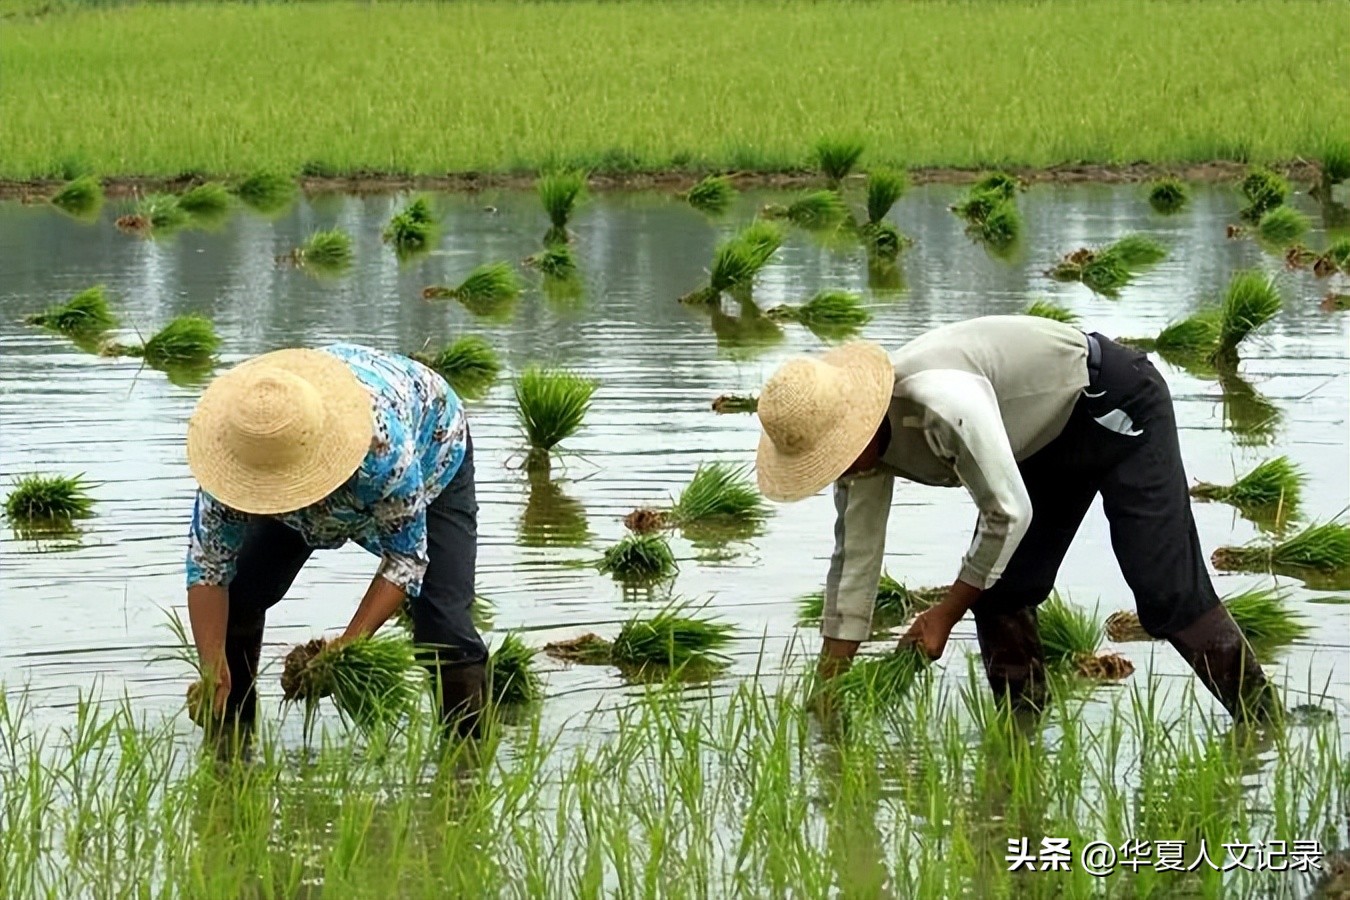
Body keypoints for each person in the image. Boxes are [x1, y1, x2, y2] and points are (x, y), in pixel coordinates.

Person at [753, 315, 1277, 722]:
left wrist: (945, 612)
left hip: (1112, 403)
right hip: (1042, 441)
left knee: (1166, 592)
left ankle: (1262, 722)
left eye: (836, 454)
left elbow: (1006, 510)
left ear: (859, 425)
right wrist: (830, 687)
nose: (835, 469)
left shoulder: (941, 400)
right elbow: (855, 567)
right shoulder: (860, 464)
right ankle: (1021, 740)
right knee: (1002, 593)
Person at [183, 342, 487, 742]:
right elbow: (208, 568)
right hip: (294, 458)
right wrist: (211, 664)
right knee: (240, 595)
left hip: (432, 448)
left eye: (288, 485)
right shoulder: (237, 455)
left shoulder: (382, 454)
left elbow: (405, 560)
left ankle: (466, 766)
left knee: (441, 622)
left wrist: (345, 648)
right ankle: (230, 745)